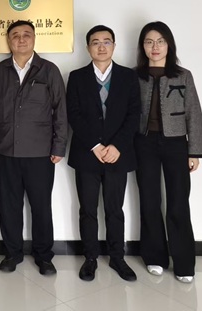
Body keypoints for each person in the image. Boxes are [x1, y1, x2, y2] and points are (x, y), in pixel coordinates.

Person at [0, 20, 67, 276]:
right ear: (8, 40)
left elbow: (60, 111)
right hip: (6, 150)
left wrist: (59, 146)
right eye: (15, 35)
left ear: (34, 39)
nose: (21, 39)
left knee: (41, 206)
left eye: (26, 35)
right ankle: (12, 253)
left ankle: (44, 256)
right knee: (9, 205)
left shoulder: (49, 70)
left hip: (40, 152)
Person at [66, 25, 140, 282]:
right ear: (88, 47)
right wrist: (96, 146)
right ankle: (90, 258)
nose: (101, 46)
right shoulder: (76, 77)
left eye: (107, 42)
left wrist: (117, 146)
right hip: (87, 155)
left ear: (114, 46)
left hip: (118, 155)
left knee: (114, 209)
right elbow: (73, 114)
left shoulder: (128, 77)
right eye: (95, 42)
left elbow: (134, 114)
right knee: (87, 209)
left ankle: (118, 257)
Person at [135, 21, 202, 283]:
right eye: (149, 41)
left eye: (160, 41)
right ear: (142, 46)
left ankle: (184, 263)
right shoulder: (134, 75)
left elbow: (194, 113)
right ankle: (155, 256)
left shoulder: (183, 75)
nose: (155, 47)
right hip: (144, 143)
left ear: (169, 45)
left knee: (178, 202)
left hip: (176, 144)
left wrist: (194, 151)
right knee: (149, 200)